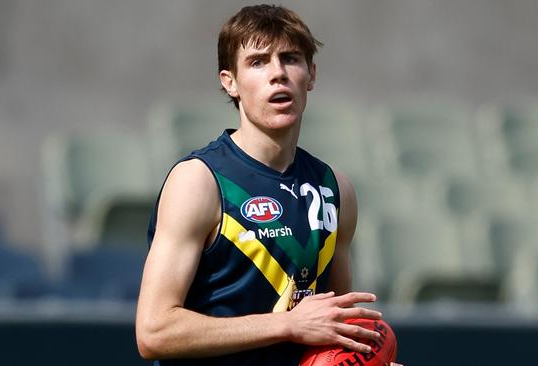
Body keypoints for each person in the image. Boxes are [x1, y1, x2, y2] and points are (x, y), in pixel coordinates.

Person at [136, 4, 383, 365]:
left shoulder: (335, 190)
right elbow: (154, 332)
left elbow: (338, 332)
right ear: (230, 82)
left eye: (291, 59)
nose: (278, 74)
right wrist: (287, 325)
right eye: (258, 62)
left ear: (311, 75)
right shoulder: (199, 181)